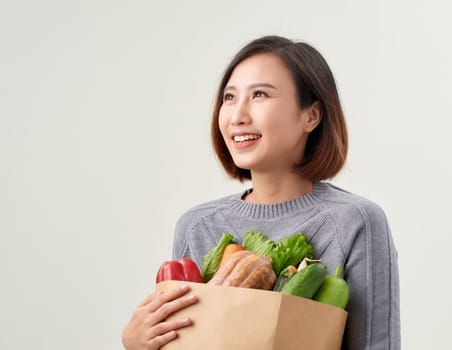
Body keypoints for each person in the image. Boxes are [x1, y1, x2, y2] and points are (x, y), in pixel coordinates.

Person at [121, 35, 401, 350]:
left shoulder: (354, 222)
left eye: (259, 95)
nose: (237, 115)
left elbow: (378, 344)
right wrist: (139, 344)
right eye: (229, 97)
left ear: (311, 115)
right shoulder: (198, 226)